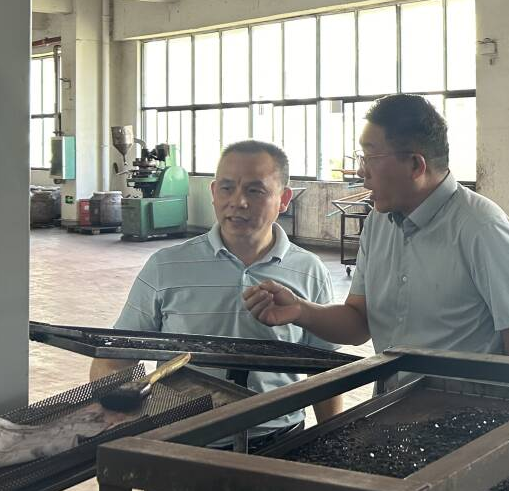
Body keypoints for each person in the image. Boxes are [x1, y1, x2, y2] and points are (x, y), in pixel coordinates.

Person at [244, 94, 509, 382]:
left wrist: (472, 402)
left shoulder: (481, 228)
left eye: (370, 157)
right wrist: (301, 310)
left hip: (460, 413)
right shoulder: (379, 222)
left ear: (416, 165)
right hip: (391, 406)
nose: (361, 172)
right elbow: (359, 322)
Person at [90, 141, 342, 447]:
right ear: (213, 192)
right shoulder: (166, 266)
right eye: (226, 188)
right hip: (182, 443)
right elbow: (116, 356)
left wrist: (333, 440)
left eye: (255, 190)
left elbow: (323, 369)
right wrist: (112, 413)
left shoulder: (309, 270)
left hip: (281, 441)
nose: (238, 202)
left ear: (284, 199)